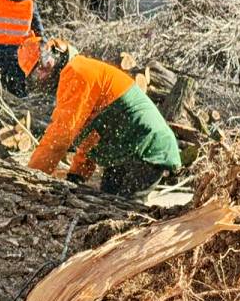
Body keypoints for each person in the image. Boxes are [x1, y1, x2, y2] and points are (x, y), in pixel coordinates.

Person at [20, 36, 181, 197]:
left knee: (127, 212)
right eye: (37, 72)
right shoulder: (74, 75)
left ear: (56, 51)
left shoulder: (77, 72)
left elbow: (60, 136)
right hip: (125, 153)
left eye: (44, 62)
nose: (44, 71)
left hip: (147, 146)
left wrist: (33, 178)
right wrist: (77, 175)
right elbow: (91, 135)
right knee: (106, 201)